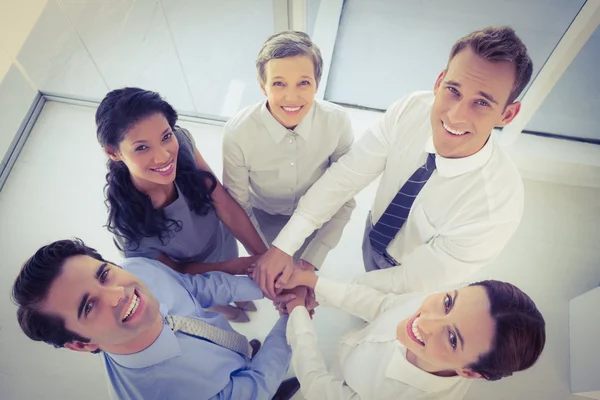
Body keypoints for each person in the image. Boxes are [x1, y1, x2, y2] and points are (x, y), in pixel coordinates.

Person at [254, 26, 533, 297]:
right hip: (374, 231)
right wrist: (283, 247)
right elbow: (345, 178)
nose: (456, 115)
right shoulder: (411, 110)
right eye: (453, 90)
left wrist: (319, 287)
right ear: (438, 82)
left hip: (412, 280)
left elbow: (410, 281)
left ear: (507, 115)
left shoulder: (496, 208)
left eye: (482, 103)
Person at [12, 239, 303, 400]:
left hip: (231, 356)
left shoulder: (137, 267)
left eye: (103, 274)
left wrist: (275, 288)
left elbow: (197, 287)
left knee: (248, 360)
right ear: (81, 344)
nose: (117, 294)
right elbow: (254, 389)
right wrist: (292, 316)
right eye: (88, 306)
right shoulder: (165, 393)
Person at [96, 87, 268, 321]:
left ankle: (240, 300)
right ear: (113, 153)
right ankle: (226, 310)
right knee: (211, 298)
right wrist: (237, 267)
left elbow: (224, 204)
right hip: (192, 269)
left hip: (220, 239)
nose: (164, 156)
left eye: (166, 136)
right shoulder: (128, 230)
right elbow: (177, 273)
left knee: (241, 288)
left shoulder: (182, 143)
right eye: (142, 148)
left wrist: (264, 259)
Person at [276, 265, 546, 399]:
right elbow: (382, 306)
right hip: (342, 362)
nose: (427, 320)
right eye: (449, 302)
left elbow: (316, 384)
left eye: (452, 338)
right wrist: (313, 283)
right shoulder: (437, 304)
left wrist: (297, 312)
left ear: (470, 372)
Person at [222, 31, 356, 274]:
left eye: (303, 83)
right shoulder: (237, 134)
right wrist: (267, 260)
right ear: (263, 87)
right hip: (263, 221)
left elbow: (344, 196)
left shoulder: (338, 122)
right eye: (279, 83)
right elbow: (238, 205)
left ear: (317, 83)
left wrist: (309, 262)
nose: (291, 96)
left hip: (317, 217)